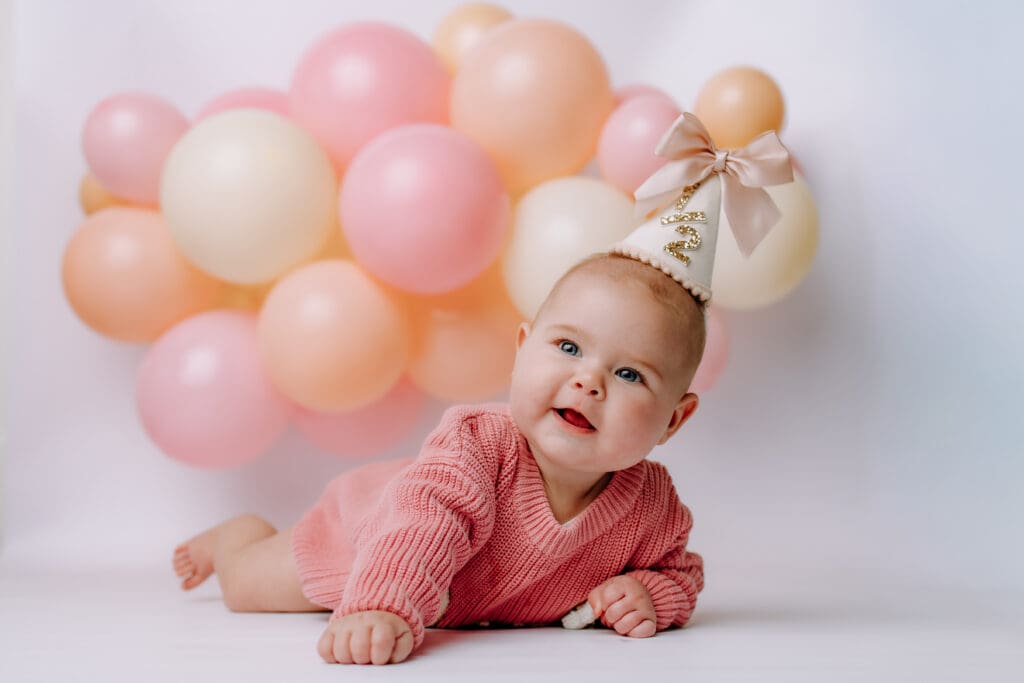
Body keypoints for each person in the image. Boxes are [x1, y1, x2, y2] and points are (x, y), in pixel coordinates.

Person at [172, 112, 792, 666]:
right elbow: (425, 522)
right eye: (569, 347)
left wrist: (650, 594)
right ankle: (239, 538)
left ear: (673, 421)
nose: (588, 380)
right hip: (366, 541)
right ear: (523, 350)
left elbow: (682, 573)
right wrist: (384, 605)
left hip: (452, 599)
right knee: (248, 588)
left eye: (630, 375)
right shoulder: (476, 447)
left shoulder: (651, 506)